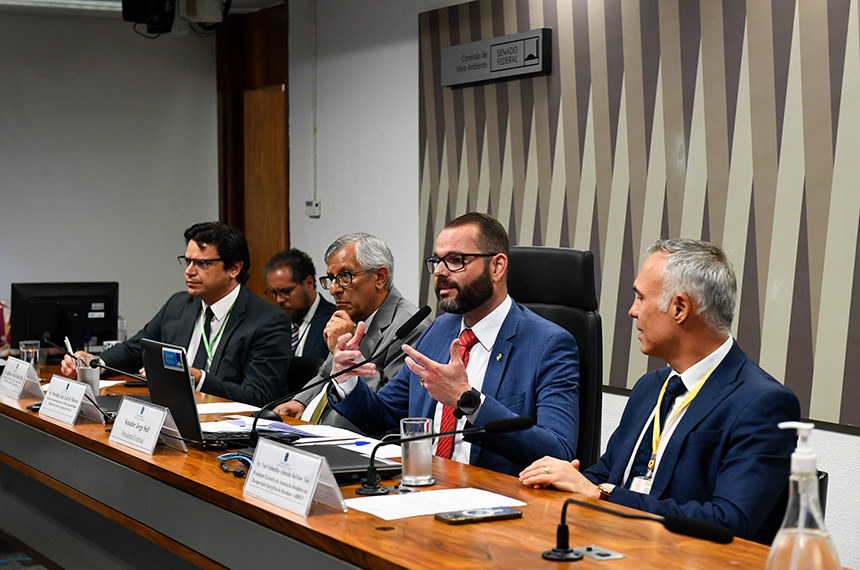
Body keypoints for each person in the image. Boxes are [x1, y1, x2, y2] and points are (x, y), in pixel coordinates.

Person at [519, 238, 800, 543]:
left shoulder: (764, 403)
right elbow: (607, 475)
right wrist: (563, 480)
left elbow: (728, 522)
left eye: (640, 298)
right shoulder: (650, 387)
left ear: (679, 308)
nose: (632, 311)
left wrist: (601, 495)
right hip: (613, 549)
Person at [326, 213, 580, 476]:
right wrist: (347, 379)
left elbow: (558, 451)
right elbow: (383, 414)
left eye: (456, 261)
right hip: (422, 484)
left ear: (497, 267)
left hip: (494, 498)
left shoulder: (549, 344)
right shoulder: (439, 330)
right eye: (437, 261)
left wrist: (468, 400)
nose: (440, 272)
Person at [61, 221, 291, 407]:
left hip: (224, 429)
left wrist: (197, 378)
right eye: (187, 261)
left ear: (234, 268)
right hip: (172, 413)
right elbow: (136, 348)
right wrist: (95, 363)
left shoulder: (267, 321)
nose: (189, 272)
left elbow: (259, 397)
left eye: (202, 263)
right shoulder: (180, 304)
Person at [274, 233, 430, 428]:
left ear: (380, 277)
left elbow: (381, 410)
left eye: (345, 276)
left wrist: (348, 350)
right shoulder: (353, 316)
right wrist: (301, 401)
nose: (333, 290)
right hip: (315, 431)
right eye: (331, 278)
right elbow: (326, 375)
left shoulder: (411, 327)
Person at [264, 248, 336, 360]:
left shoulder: (334, 320)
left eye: (286, 291)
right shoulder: (273, 324)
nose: (279, 300)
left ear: (309, 283)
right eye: (274, 293)